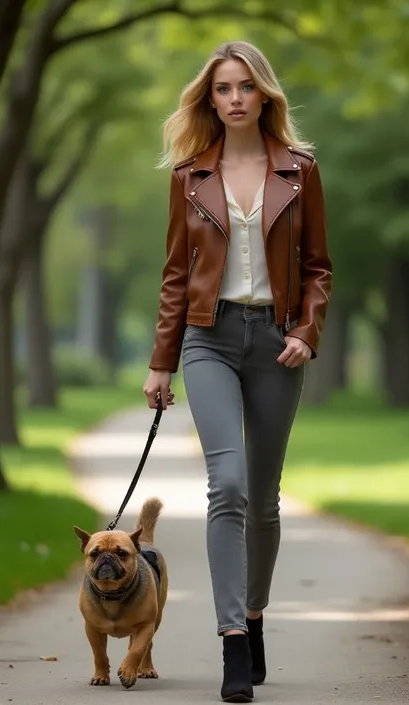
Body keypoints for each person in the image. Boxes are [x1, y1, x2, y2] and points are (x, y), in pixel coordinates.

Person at [143, 40, 332, 703]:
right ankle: (230, 638)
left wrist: (307, 332)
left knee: (264, 494)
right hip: (209, 339)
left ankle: (254, 617)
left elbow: (318, 268)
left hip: (278, 343)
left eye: (245, 87)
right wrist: (161, 360)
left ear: (264, 95)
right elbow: (175, 275)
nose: (234, 98)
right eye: (223, 89)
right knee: (227, 484)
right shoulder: (189, 176)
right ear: (210, 99)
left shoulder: (300, 172)